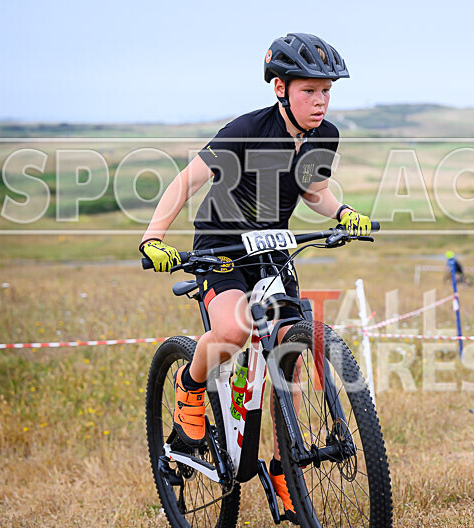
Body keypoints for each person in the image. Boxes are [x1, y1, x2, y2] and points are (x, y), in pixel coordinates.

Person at [138, 33, 370, 522]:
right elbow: (186, 182)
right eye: (310, 91)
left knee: (292, 348)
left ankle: (287, 470)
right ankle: (190, 386)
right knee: (232, 331)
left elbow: (313, 192)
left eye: (327, 91)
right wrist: (152, 239)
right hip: (220, 248)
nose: (321, 101)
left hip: (271, 250)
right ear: (280, 89)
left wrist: (343, 211)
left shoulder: (324, 135)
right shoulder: (246, 129)